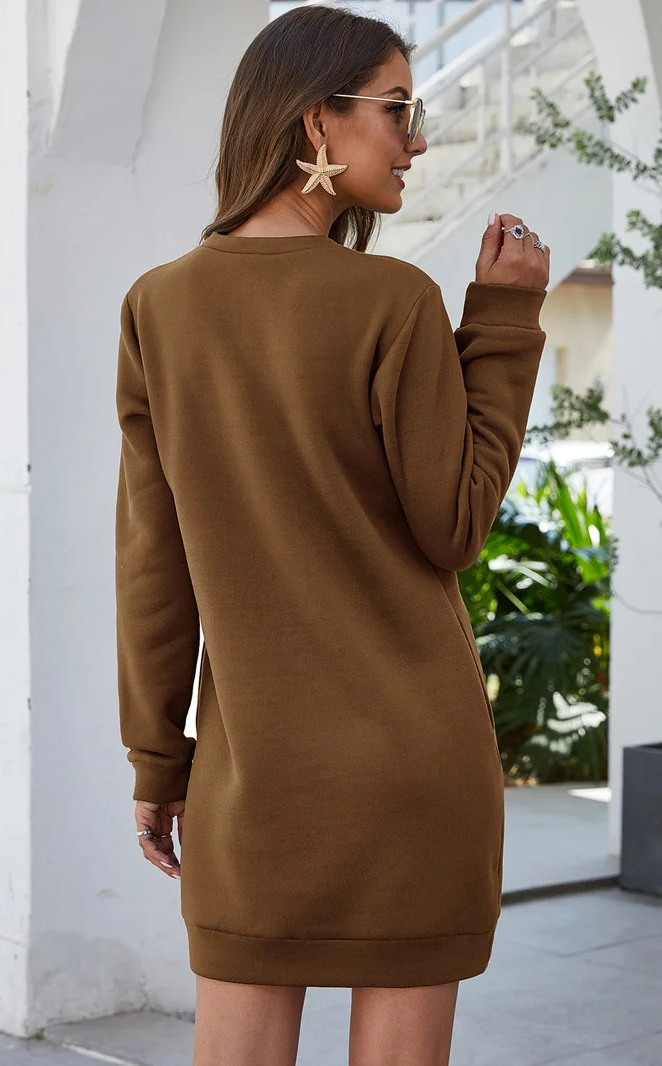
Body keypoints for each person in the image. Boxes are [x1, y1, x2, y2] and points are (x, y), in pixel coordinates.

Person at [114, 6, 549, 1065]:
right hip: (413, 770)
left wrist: (158, 759)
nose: (417, 140)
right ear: (317, 120)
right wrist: (502, 322)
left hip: (253, 781)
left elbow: (152, 567)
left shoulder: (158, 307)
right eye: (397, 110)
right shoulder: (393, 301)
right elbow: (453, 524)